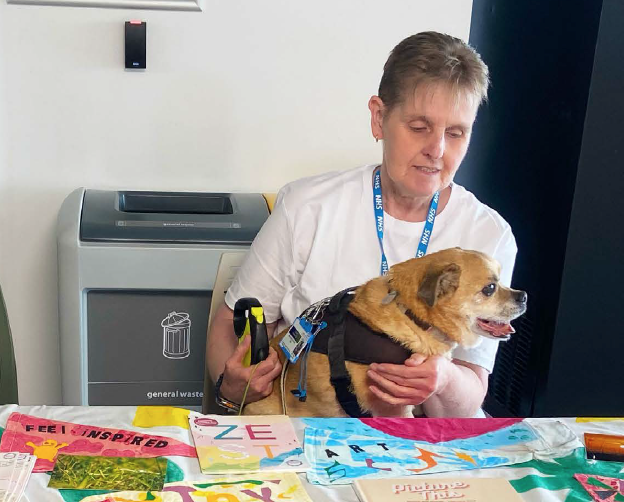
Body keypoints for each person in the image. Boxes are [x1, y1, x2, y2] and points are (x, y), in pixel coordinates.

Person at [206, 31, 517, 417]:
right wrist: (233, 383)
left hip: (415, 448)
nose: (437, 150)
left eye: (456, 133)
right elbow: (228, 325)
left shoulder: (488, 235)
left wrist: (444, 380)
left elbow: (469, 397)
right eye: (419, 127)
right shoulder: (307, 207)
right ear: (379, 117)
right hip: (306, 428)